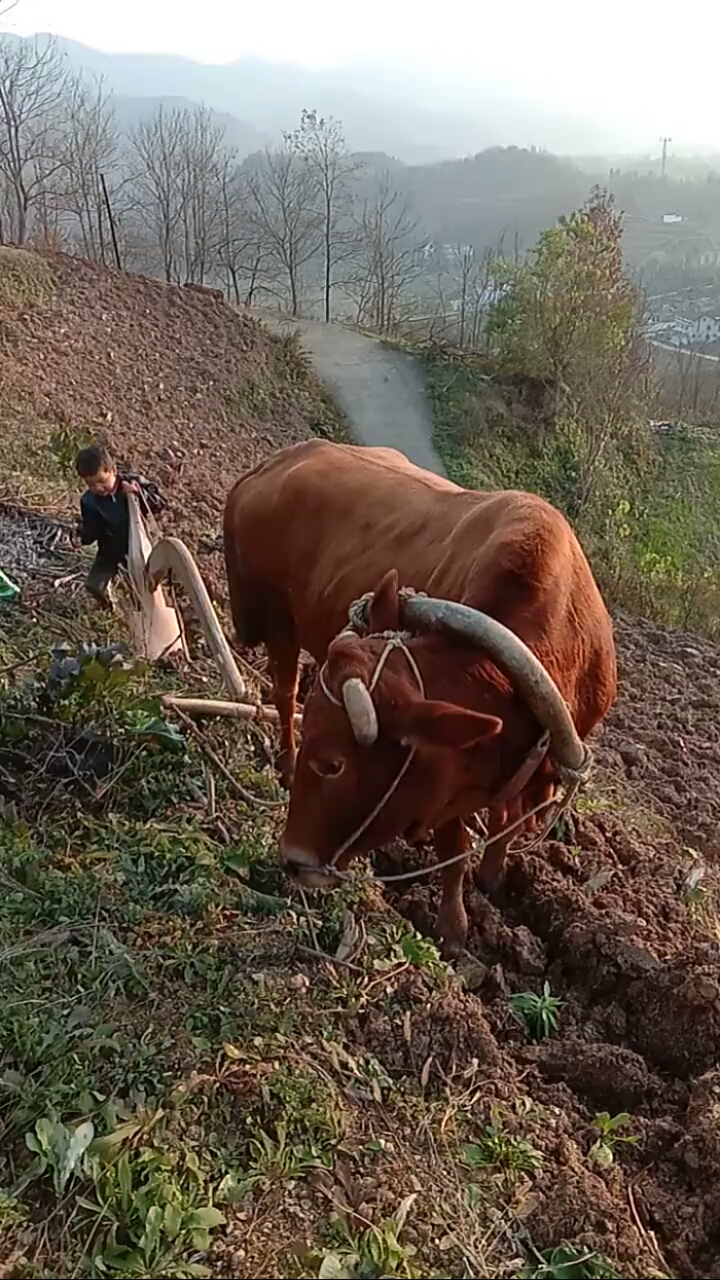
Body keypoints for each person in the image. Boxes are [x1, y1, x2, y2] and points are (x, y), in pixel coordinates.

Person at [75, 444, 166, 608]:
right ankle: (108, 606)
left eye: (102, 481)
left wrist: (138, 493)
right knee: (94, 585)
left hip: (137, 547)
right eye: (91, 484)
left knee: (141, 588)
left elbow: (159, 503)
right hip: (109, 549)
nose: (98, 488)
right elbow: (91, 529)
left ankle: (144, 612)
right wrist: (80, 536)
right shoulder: (89, 501)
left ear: (113, 471)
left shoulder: (132, 483)